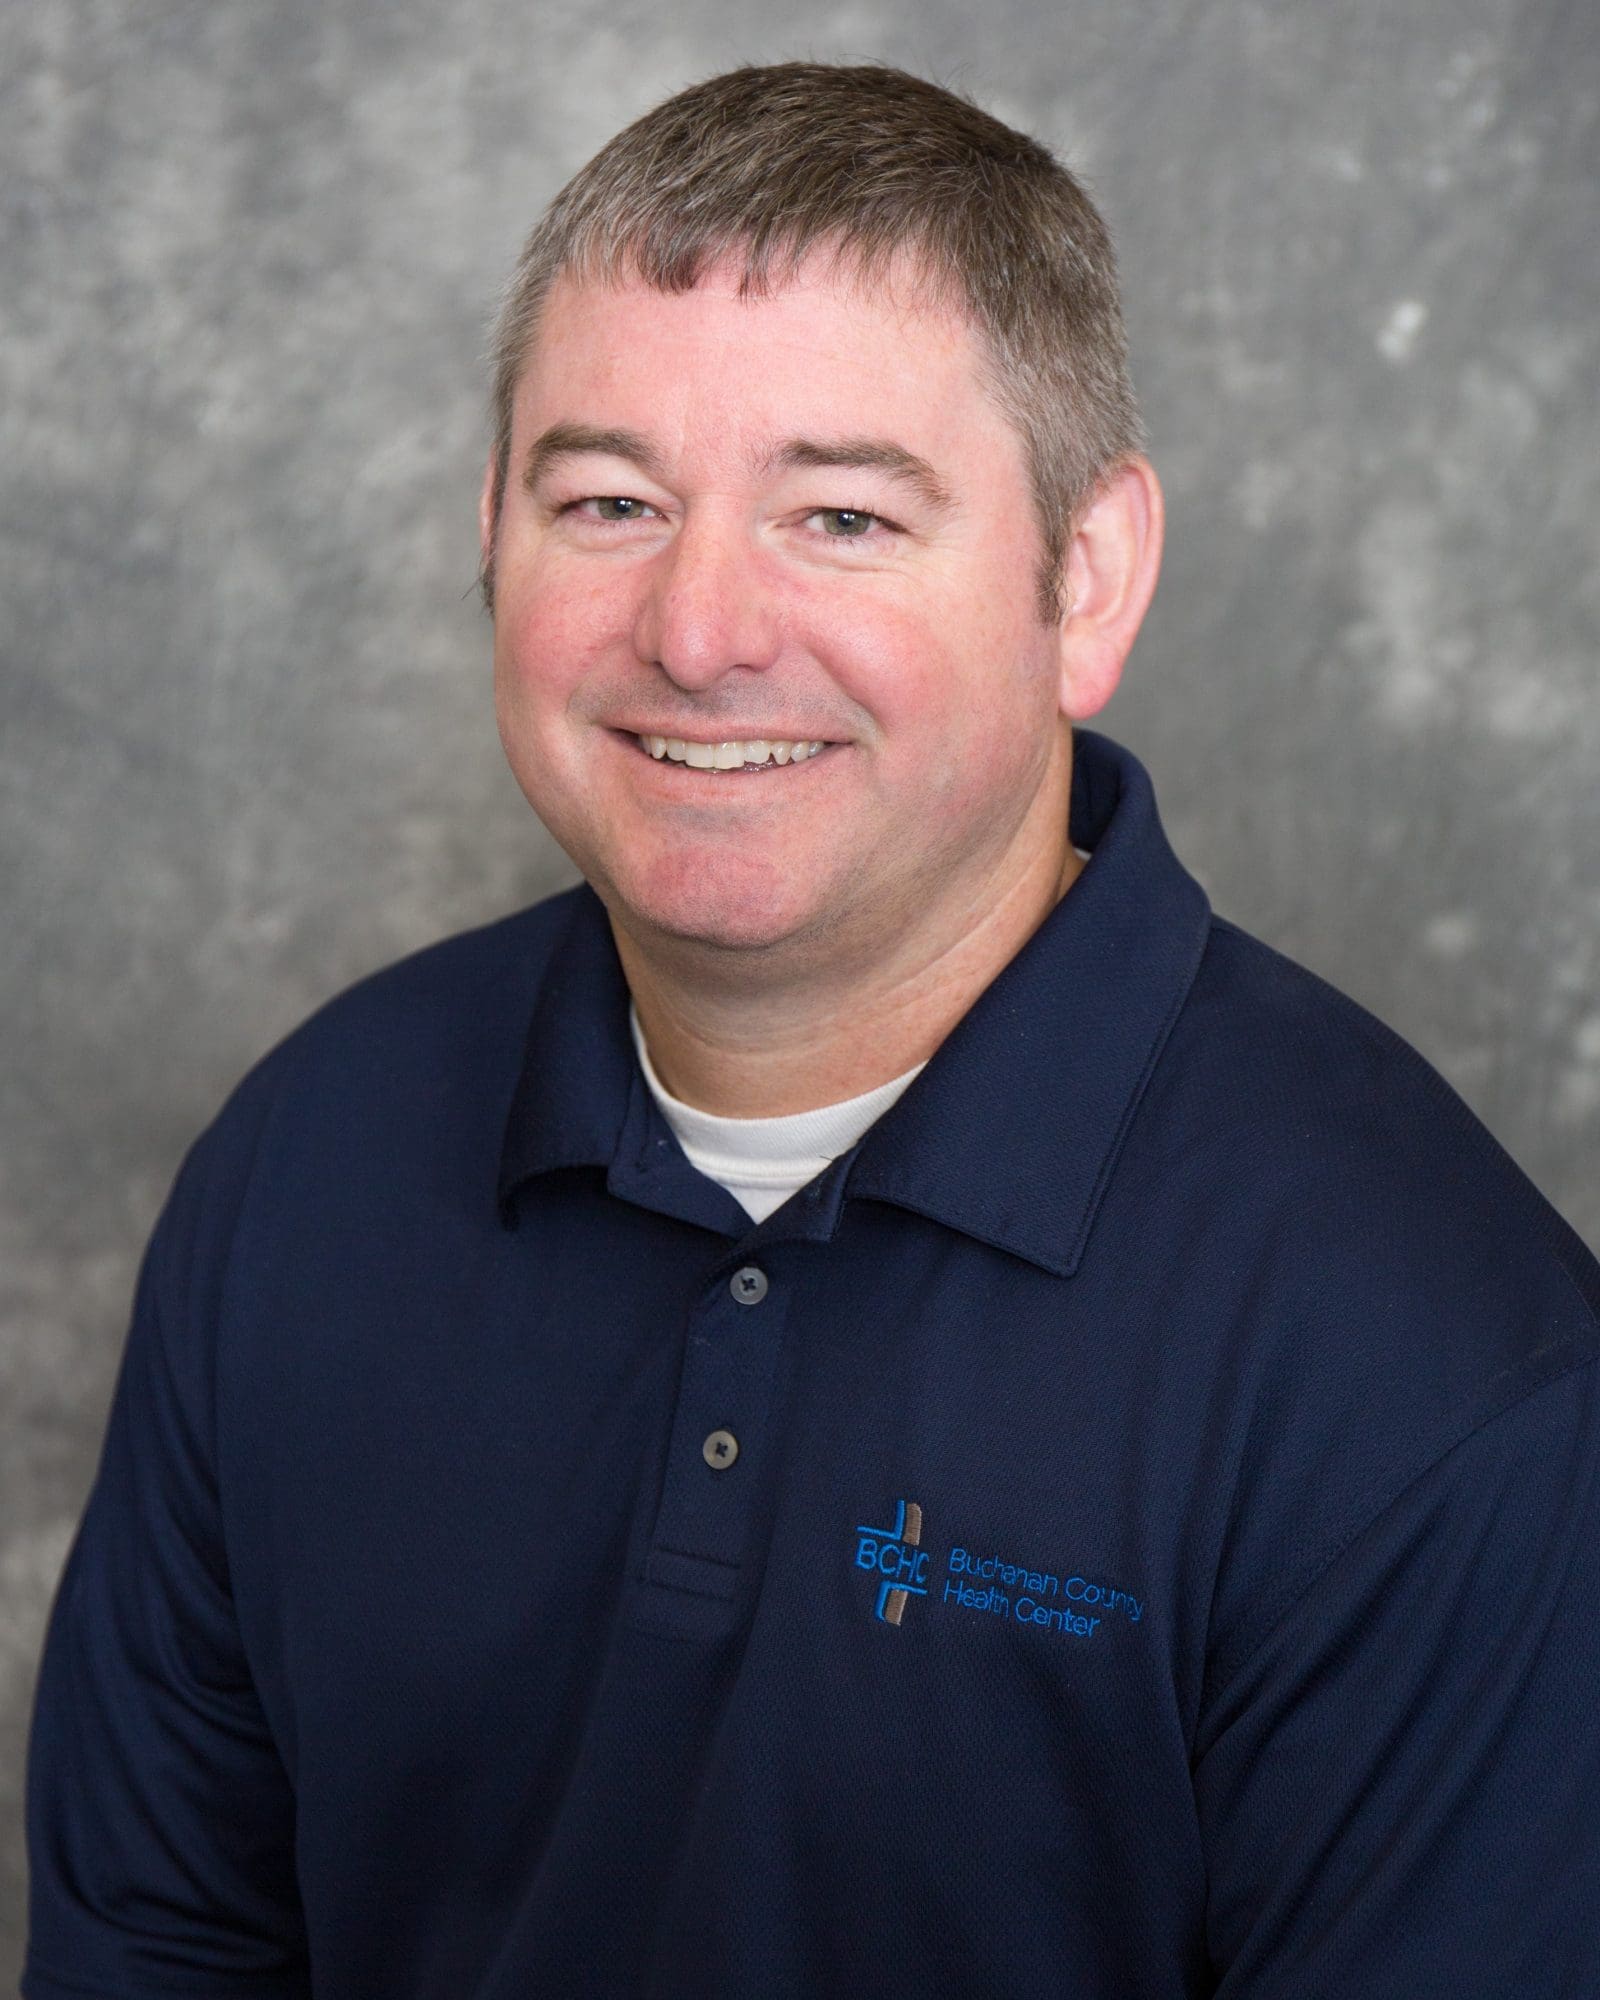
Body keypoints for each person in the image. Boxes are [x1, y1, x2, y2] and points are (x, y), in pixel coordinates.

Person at [23, 61, 1600, 2000]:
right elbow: (157, 1950)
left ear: (1085, 578)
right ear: (490, 532)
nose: (698, 630)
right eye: (609, 501)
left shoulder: (1436, 1369)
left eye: (840, 515)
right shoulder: (305, 1161)